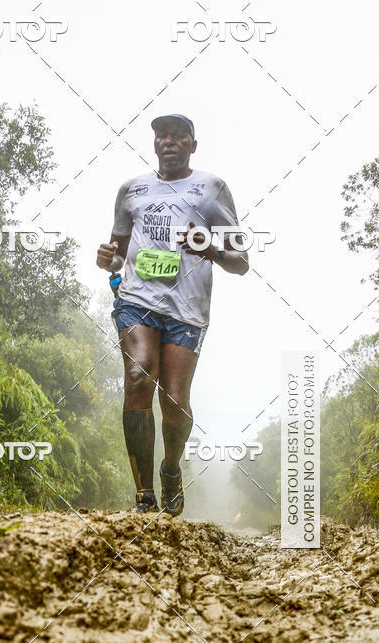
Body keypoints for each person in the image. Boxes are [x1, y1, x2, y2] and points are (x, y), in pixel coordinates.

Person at [96, 114, 248, 516]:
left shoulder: (212, 188)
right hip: (137, 300)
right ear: (154, 144)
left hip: (188, 310)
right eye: (162, 135)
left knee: (176, 403)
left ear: (192, 145)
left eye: (179, 136)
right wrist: (107, 260)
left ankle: (170, 469)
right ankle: (144, 494)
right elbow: (117, 254)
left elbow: (241, 262)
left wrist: (210, 250)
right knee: (138, 375)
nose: (169, 142)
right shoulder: (132, 190)